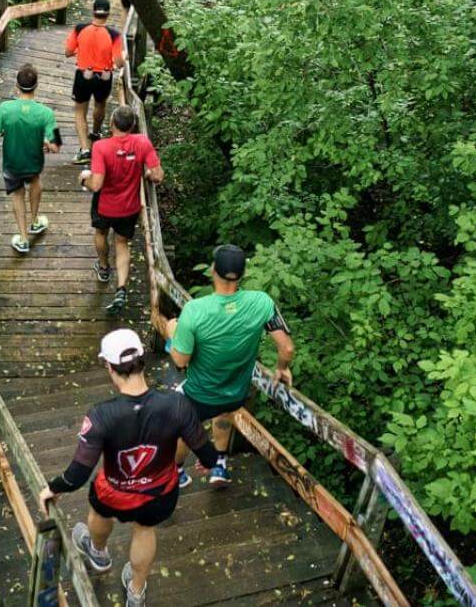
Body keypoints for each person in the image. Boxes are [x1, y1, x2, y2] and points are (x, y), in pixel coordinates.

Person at [38, 329, 222, 607]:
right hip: (159, 493)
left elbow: (77, 474)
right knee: (145, 530)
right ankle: (136, 592)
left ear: (110, 367)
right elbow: (204, 448)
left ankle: (98, 552)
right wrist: (209, 464)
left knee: (100, 505)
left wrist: (53, 488)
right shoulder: (177, 405)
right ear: (142, 362)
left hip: (115, 492)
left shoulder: (101, 415)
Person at [159, 244, 294, 488]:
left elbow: (180, 361)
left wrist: (171, 333)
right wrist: (282, 368)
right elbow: (287, 348)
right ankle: (219, 465)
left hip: (200, 394)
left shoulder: (194, 311)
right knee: (223, 412)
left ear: (213, 271)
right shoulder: (261, 302)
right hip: (236, 393)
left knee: (183, 425)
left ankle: (177, 472)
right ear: (243, 274)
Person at [86, 105, 162, 313]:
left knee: (100, 233)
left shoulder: (101, 147)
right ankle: (121, 288)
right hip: (129, 207)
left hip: (104, 205)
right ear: (133, 126)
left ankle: (103, 268)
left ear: (111, 124)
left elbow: (97, 185)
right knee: (122, 242)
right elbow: (158, 175)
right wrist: (146, 175)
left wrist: (84, 180)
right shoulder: (142, 143)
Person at [0, 64, 60, 254]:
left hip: (12, 164)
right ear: (37, 86)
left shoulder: (4, 109)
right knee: (35, 180)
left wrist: (3, 131)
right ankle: (35, 222)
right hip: (34, 162)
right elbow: (55, 144)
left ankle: (23, 239)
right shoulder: (47, 113)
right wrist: (45, 142)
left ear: (16, 86)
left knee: (18, 194)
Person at [64, 0, 125, 164]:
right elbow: (119, 62)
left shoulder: (79, 29)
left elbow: (68, 52)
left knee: (79, 111)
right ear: (108, 14)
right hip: (104, 76)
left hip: (83, 74)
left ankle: (84, 150)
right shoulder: (114, 35)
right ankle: (96, 133)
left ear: (93, 11)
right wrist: (123, 58)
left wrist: (81, 51)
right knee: (100, 105)